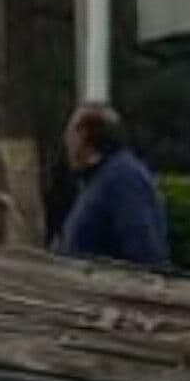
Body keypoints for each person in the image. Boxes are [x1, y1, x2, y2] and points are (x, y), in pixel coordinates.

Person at [52, 104, 172, 268]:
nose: (67, 145)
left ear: (83, 134)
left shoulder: (123, 179)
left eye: (69, 135)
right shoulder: (97, 180)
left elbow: (145, 252)